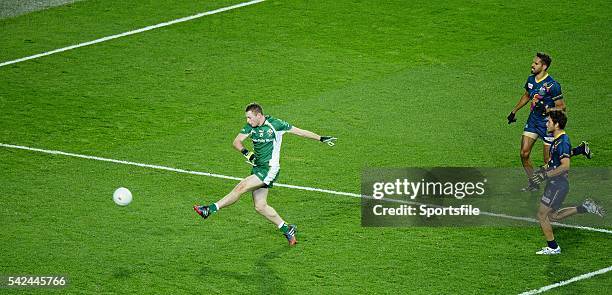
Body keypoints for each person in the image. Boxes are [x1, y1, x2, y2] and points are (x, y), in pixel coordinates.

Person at [193, 103, 337, 246]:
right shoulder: (251, 126)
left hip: (269, 169)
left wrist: (320, 138)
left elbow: (300, 131)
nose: (248, 121)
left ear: (259, 115)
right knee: (260, 206)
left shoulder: (276, 124)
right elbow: (236, 142)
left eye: (250, 118)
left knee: (241, 187)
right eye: (247, 118)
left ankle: (209, 209)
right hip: (258, 168)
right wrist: (248, 154)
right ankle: (287, 229)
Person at [507, 52, 591, 192]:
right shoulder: (531, 80)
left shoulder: (553, 85)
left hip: (549, 125)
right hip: (533, 121)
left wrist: (547, 109)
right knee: (524, 153)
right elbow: (527, 95)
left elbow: (562, 107)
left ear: (544, 66)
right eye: (533, 62)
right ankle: (533, 183)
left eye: (536, 63)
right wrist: (514, 111)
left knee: (550, 162)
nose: (532, 65)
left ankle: (578, 151)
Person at [529, 111, 605, 255]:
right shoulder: (558, 140)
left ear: (556, 124)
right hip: (556, 183)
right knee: (553, 216)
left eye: (549, 121)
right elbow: (554, 163)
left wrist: (545, 175)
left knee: (542, 215)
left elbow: (565, 166)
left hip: (557, 185)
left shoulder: (562, 141)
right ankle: (585, 207)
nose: (546, 124)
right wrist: (541, 170)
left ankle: (553, 247)